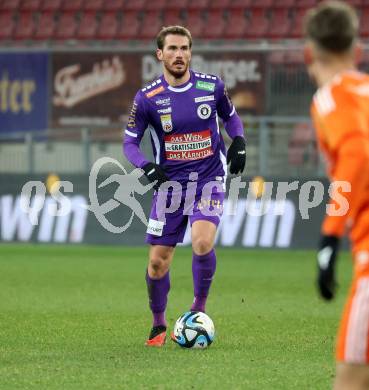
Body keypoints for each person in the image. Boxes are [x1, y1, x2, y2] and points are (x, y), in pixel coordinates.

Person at [123, 25, 246, 347]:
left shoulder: (212, 87)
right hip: (169, 187)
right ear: (160, 55)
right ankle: (158, 323)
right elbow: (130, 143)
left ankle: (197, 311)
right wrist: (146, 166)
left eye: (185, 49)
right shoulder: (147, 98)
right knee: (157, 262)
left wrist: (240, 142)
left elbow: (231, 118)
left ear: (191, 52)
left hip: (208, 179)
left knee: (202, 243)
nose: (180, 55)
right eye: (173, 49)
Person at [304, 2, 369, 388]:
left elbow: (357, 153)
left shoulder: (329, 98)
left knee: (349, 379)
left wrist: (329, 235)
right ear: (356, 49)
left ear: (310, 53)